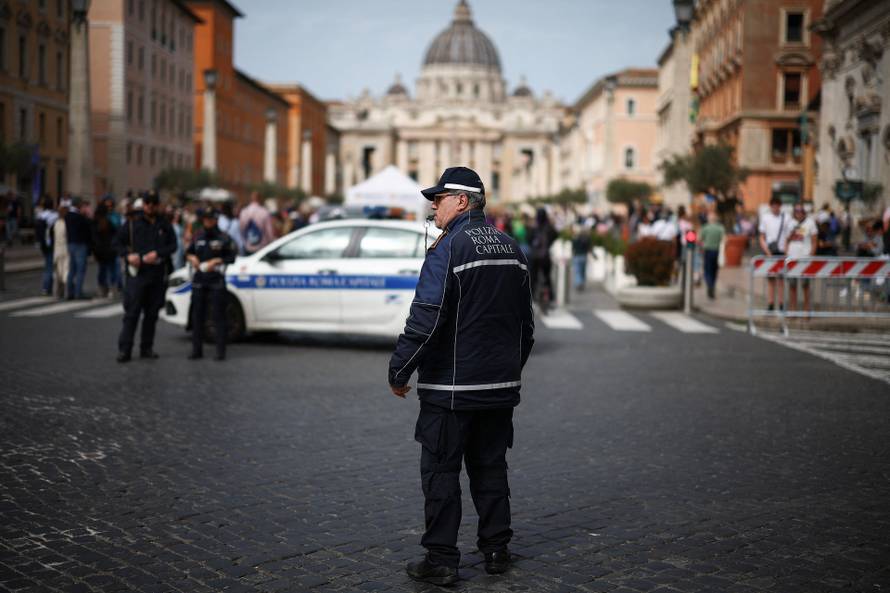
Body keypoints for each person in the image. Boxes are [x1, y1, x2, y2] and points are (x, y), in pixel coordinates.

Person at [388, 167, 535, 586]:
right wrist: (509, 371)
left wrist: (400, 369)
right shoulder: (512, 247)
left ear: (464, 201)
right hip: (499, 388)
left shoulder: (448, 248)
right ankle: (495, 549)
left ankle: (441, 559)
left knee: (440, 473)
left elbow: (426, 320)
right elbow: (526, 326)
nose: (433, 204)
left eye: (441, 196)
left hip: (451, 389)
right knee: (491, 468)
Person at [114, 193, 177, 363]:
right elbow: (117, 243)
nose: (150, 206)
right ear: (143, 205)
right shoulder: (133, 223)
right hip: (138, 274)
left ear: (157, 205)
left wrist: (158, 253)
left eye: (153, 203)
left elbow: (173, 245)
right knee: (132, 313)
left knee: (152, 314)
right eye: (147, 203)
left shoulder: (163, 223)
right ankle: (125, 350)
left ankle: (146, 347)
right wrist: (128, 256)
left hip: (156, 273)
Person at [186, 209, 237, 361]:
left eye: (210, 219)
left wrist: (217, 260)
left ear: (215, 220)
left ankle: (220, 351)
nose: (207, 222)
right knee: (197, 316)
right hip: (199, 279)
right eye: (205, 219)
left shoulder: (224, 237)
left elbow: (232, 257)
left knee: (219, 316)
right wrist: (192, 258)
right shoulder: (198, 236)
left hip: (216, 280)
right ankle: (197, 350)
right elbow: (188, 252)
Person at [758, 196, 791, 311]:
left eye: (777, 205)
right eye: (773, 205)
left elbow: (788, 237)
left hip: (781, 251)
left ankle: (781, 303)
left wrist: (787, 251)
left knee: (781, 279)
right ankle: (770, 303)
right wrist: (767, 251)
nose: (775, 207)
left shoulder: (786, 218)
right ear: (771, 206)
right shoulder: (765, 218)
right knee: (771, 279)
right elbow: (761, 237)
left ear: (780, 206)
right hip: (770, 251)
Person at [783, 204, 817, 313]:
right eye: (796, 211)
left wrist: (811, 255)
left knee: (805, 285)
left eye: (801, 211)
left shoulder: (810, 223)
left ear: (804, 212)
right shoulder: (790, 223)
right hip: (792, 258)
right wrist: (786, 253)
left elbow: (814, 241)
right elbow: (787, 240)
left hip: (805, 258)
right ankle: (793, 309)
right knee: (792, 285)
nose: (798, 213)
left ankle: (806, 309)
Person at [65, 197, 93, 300]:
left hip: (71, 243)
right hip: (80, 244)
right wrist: (87, 215)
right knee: (80, 270)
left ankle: (69, 292)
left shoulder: (68, 216)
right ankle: (78, 293)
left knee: (72, 269)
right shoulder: (80, 217)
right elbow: (88, 228)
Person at [529, 207, 556, 310]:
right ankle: (551, 299)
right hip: (545, 257)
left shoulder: (534, 227)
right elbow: (555, 235)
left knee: (533, 278)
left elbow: (529, 239)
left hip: (535, 257)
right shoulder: (549, 228)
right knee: (547, 278)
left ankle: (532, 299)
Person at [91, 202, 118, 298]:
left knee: (102, 271)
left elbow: (93, 238)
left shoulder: (95, 222)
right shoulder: (108, 222)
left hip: (101, 251)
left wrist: (95, 250)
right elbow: (115, 233)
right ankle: (112, 290)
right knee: (111, 271)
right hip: (109, 250)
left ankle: (102, 290)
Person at [35, 197, 58, 296]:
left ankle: (47, 287)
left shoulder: (40, 216)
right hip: (52, 243)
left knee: (48, 265)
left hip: (43, 244)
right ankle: (47, 287)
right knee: (50, 267)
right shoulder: (54, 216)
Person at [699, 212, 725, 299]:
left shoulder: (705, 228)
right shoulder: (720, 228)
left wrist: (701, 246)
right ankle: (712, 285)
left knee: (707, 270)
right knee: (714, 270)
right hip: (717, 251)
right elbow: (725, 239)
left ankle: (709, 284)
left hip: (707, 251)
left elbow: (699, 239)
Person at [52, 205, 70, 299]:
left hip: (57, 249)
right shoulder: (66, 224)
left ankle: (57, 292)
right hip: (65, 249)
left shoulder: (56, 223)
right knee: (66, 271)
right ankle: (66, 292)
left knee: (58, 272)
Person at [570, 225, 591, 291]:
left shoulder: (575, 238)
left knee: (578, 271)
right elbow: (589, 248)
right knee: (582, 271)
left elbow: (573, 248)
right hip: (583, 256)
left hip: (577, 256)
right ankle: (581, 283)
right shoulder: (586, 239)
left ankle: (579, 283)